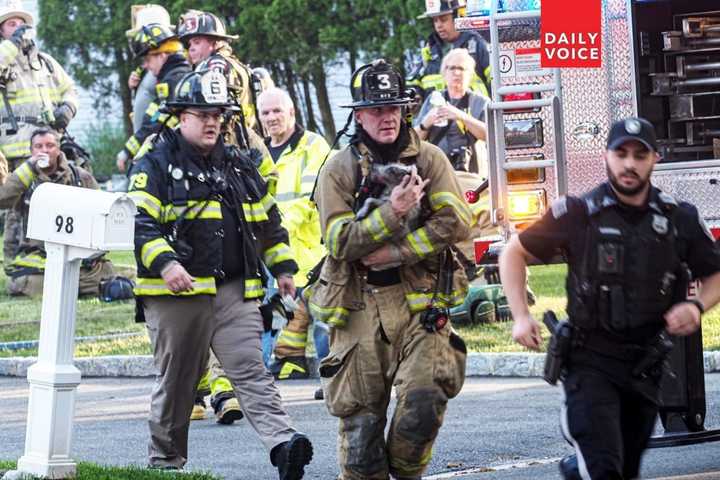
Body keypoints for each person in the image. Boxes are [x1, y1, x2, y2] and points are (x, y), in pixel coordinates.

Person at [499, 117, 720, 479]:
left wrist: (696, 306)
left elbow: (715, 272)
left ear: (655, 159)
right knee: (604, 469)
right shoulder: (578, 213)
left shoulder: (677, 218)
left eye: (639, 154)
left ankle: (576, 472)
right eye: (621, 153)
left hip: (645, 369)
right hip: (589, 365)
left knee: (621, 469)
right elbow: (513, 253)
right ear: (607, 156)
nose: (629, 163)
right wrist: (521, 315)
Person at [128, 69, 313, 478]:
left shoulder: (239, 164)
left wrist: (282, 267)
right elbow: (140, 223)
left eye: (219, 114)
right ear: (181, 116)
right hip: (175, 293)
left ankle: (284, 446)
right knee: (179, 381)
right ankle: (165, 463)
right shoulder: (155, 164)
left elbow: (269, 223)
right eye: (202, 113)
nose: (213, 121)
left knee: (250, 369)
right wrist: (167, 263)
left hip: (234, 290)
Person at [309, 59, 471, 480]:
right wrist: (394, 211)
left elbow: (456, 222)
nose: (387, 118)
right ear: (358, 115)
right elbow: (340, 242)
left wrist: (396, 252)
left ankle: (406, 473)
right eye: (377, 110)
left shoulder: (431, 160)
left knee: (424, 399)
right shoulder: (338, 169)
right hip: (358, 307)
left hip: (419, 300)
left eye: (394, 108)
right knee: (361, 433)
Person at [176, 9, 275, 422]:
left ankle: (215, 390)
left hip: (219, 180)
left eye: (193, 42)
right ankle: (216, 389)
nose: (189, 50)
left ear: (213, 42)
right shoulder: (247, 71)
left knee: (212, 289)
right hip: (239, 176)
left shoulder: (216, 70)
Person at [257, 87, 330, 382]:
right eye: (265, 113)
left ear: (292, 112)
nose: (272, 117)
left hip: (313, 257)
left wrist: (277, 231)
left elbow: (310, 197)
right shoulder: (259, 151)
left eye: (277, 111)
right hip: (276, 260)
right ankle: (280, 367)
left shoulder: (312, 145)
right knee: (275, 324)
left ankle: (333, 378)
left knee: (326, 322)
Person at [0, 0, 78, 267]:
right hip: (16, 146)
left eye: (22, 23)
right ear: (2, 31)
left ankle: (50, 256)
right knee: (18, 205)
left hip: (49, 143)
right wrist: (11, 47)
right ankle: (14, 262)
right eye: (12, 24)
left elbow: (70, 89)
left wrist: (67, 108)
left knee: (52, 200)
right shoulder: (3, 58)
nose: (19, 28)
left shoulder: (44, 62)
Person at [0, 128, 116, 296]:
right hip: (38, 254)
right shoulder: (24, 179)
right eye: (38, 147)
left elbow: (103, 211)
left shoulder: (79, 177)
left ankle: (70, 285)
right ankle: (83, 286)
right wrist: (28, 168)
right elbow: (2, 198)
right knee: (21, 284)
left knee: (106, 271)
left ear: (59, 149)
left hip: (76, 252)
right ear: (31, 151)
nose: (44, 151)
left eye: (50, 145)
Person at [116, 22, 191, 172]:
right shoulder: (178, 75)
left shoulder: (172, 81)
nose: (146, 66)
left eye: (147, 60)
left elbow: (155, 123)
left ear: (162, 55)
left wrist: (127, 152)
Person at [414, 48, 487, 175]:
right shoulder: (433, 100)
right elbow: (413, 142)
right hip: (437, 172)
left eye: (462, 68)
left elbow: (491, 135)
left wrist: (461, 116)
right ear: (444, 72)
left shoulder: (480, 102)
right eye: (452, 68)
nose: (457, 73)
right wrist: (426, 123)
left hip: (472, 174)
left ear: (470, 74)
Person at [409, 0, 490, 101]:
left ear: (458, 17)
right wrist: (414, 96)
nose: (438, 25)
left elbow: (494, 80)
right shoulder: (429, 50)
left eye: (443, 19)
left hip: (474, 114)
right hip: (437, 114)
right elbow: (413, 84)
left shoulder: (476, 44)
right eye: (435, 20)